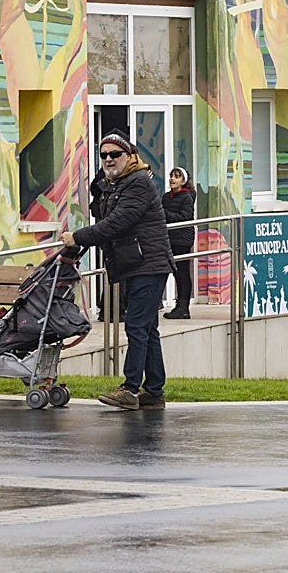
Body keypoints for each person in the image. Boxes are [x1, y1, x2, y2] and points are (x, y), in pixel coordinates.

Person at [61, 132, 174, 410]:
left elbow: (117, 223)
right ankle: (154, 391)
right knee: (147, 329)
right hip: (136, 264)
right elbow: (106, 216)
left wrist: (78, 237)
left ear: (130, 156)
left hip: (148, 264)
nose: (109, 159)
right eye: (104, 155)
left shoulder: (137, 184)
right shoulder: (117, 183)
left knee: (137, 326)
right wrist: (101, 187)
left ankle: (130, 388)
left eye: (115, 154)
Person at [162, 166, 196, 320]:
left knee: (182, 271)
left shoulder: (187, 197)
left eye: (176, 176)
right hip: (169, 237)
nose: (172, 179)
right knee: (175, 272)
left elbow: (185, 217)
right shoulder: (166, 197)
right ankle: (178, 305)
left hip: (182, 238)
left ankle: (184, 306)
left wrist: (165, 214)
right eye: (171, 176)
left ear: (184, 181)